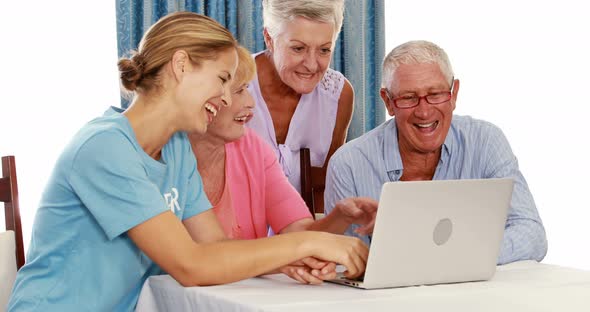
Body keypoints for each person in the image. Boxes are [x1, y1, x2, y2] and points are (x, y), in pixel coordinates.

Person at [7, 12, 368, 311]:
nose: (226, 97)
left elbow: (212, 246)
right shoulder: (105, 147)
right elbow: (190, 265)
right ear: (181, 65)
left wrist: (283, 259)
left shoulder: (176, 148)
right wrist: (304, 245)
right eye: (223, 79)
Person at [324, 40, 548, 265]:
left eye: (436, 94)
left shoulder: (486, 142)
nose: (424, 112)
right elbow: (347, 262)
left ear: (454, 93)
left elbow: (532, 234)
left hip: (474, 292)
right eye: (409, 98)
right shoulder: (348, 164)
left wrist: (459, 259)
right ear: (389, 102)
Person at [188, 45, 377, 284]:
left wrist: (340, 217)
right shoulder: (167, 155)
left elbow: (299, 233)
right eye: (238, 91)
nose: (251, 103)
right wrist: (287, 255)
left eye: (248, 88)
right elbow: (201, 257)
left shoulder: (252, 147)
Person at [246, 0, 354, 211]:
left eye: (324, 50)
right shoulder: (230, 85)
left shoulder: (338, 95)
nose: (312, 65)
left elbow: (323, 189)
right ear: (270, 38)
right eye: (298, 48)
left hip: (300, 233)